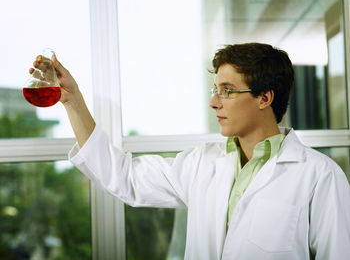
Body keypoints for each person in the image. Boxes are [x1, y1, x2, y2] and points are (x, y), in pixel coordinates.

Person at [30, 43, 350, 260]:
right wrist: (73, 101)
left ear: (265, 98)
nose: (214, 102)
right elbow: (123, 176)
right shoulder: (201, 162)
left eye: (227, 91)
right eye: (216, 90)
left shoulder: (318, 175)